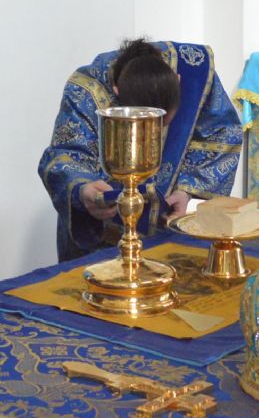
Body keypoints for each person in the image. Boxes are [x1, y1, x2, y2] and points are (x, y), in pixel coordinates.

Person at [39, 38, 243, 262]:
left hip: (169, 231)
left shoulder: (196, 72)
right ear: (117, 95)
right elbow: (64, 156)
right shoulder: (85, 90)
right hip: (105, 242)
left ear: (178, 81)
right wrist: (83, 191)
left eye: (164, 125)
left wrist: (187, 191)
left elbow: (222, 134)